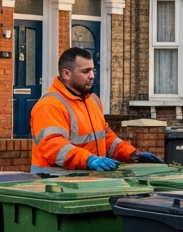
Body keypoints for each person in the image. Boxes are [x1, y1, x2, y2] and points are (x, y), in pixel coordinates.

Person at [30, 47, 164, 174]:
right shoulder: (50, 105)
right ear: (66, 74)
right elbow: (54, 146)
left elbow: (106, 138)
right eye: (85, 71)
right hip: (54, 183)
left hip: (85, 180)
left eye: (93, 70)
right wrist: (88, 160)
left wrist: (131, 154)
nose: (92, 76)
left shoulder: (93, 100)